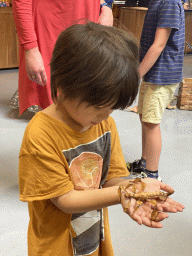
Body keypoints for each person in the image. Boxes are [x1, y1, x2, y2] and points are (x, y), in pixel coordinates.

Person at [19, 22, 184, 256]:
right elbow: (65, 199)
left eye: (112, 108)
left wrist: (135, 192)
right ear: (62, 87)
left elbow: (113, 178)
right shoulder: (40, 134)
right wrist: (126, 191)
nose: (105, 116)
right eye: (98, 107)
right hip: (54, 247)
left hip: (91, 240)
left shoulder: (104, 123)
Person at [10, 0, 113, 115]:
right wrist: (30, 48)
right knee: (57, 109)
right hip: (50, 25)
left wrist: (106, 6)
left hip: (87, 20)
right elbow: (21, 2)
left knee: (87, 101)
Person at [130, 0, 185, 181]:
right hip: (153, 73)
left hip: (162, 75)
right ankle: (144, 163)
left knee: (151, 123)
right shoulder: (156, 2)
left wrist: (137, 74)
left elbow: (159, 44)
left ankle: (152, 174)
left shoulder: (169, 2)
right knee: (144, 116)